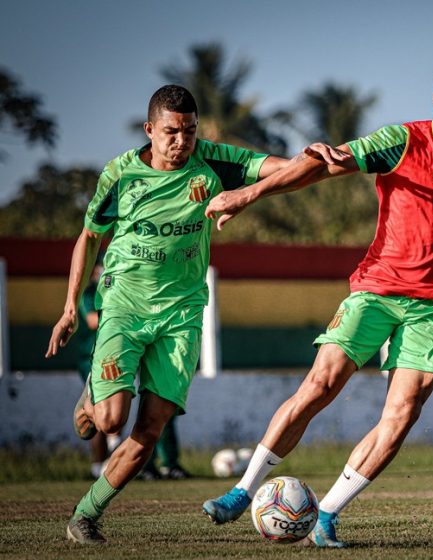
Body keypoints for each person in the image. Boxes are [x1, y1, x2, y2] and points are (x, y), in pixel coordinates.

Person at [201, 61, 433, 548]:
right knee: (321, 384)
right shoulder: (401, 141)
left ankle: (328, 514)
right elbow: (323, 165)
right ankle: (242, 489)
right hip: (376, 289)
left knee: (403, 413)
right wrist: (248, 194)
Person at [45, 84, 288, 544]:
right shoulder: (119, 174)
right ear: (150, 130)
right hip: (123, 305)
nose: (182, 142)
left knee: (151, 428)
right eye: (172, 132)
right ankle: (94, 393)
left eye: (190, 132)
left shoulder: (212, 160)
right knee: (112, 421)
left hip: (181, 315)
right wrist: (69, 308)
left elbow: (280, 168)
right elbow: (88, 237)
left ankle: (86, 514)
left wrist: (310, 160)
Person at [76, 258, 121, 479]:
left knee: (119, 402)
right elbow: (93, 320)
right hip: (92, 358)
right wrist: (120, 312)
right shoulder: (89, 292)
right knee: (98, 409)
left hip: (114, 356)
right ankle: (97, 466)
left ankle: (115, 451)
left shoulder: (117, 289)